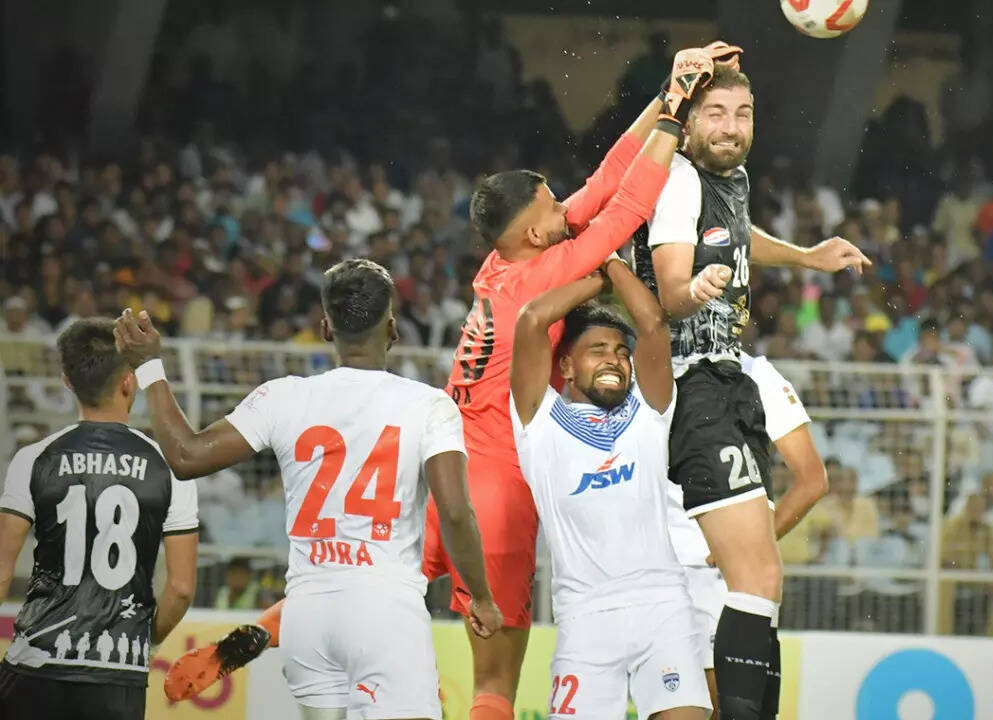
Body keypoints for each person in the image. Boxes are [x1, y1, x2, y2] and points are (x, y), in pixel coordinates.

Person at [164, 44, 736, 720]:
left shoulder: (501, 265)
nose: (566, 206)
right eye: (554, 204)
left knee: (370, 580)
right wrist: (674, 116)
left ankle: (256, 634)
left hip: (441, 464)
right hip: (496, 483)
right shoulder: (543, 271)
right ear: (534, 230)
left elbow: (605, 179)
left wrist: (669, 92)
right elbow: (627, 206)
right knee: (495, 678)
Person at [116, 259, 501, 720]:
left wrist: (150, 366)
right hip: (386, 610)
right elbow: (455, 512)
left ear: (325, 328)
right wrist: (480, 596)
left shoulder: (284, 397)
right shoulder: (428, 405)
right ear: (393, 328)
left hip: (306, 614)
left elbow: (186, 456)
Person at [632, 64, 870, 719]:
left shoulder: (728, 181)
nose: (731, 127)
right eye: (716, 113)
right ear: (687, 122)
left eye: (743, 114)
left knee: (757, 583)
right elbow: (670, 288)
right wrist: (691, 291)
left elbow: (736, 239)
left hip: (719, 379)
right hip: (689, 382)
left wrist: (806, 256)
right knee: (758, 579)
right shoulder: (678, 179)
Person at [510, 258, 710, 719]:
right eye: (597, 349)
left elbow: (652, 322)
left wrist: (614, 262)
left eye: (621, 352)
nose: (613, 361)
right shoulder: (539, 422)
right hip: (586, 619)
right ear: (565, 365)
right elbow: (532, 319)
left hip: (664, 609)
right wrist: (593, 275)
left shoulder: (648, 412)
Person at [0, 319, 199, 720]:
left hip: (34, 663)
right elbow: (180, 589)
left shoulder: (32, 459)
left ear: (67, 382)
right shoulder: (168, 467)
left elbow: (2, 574)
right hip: (116, 673)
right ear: (129, 382)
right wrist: (146, 639)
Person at [667, 350, 829, 718]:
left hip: (717, 578)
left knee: (724, 708)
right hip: (654, 572)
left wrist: (746, 547)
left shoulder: (756, 372)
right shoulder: (641, 360)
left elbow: (812, 479)